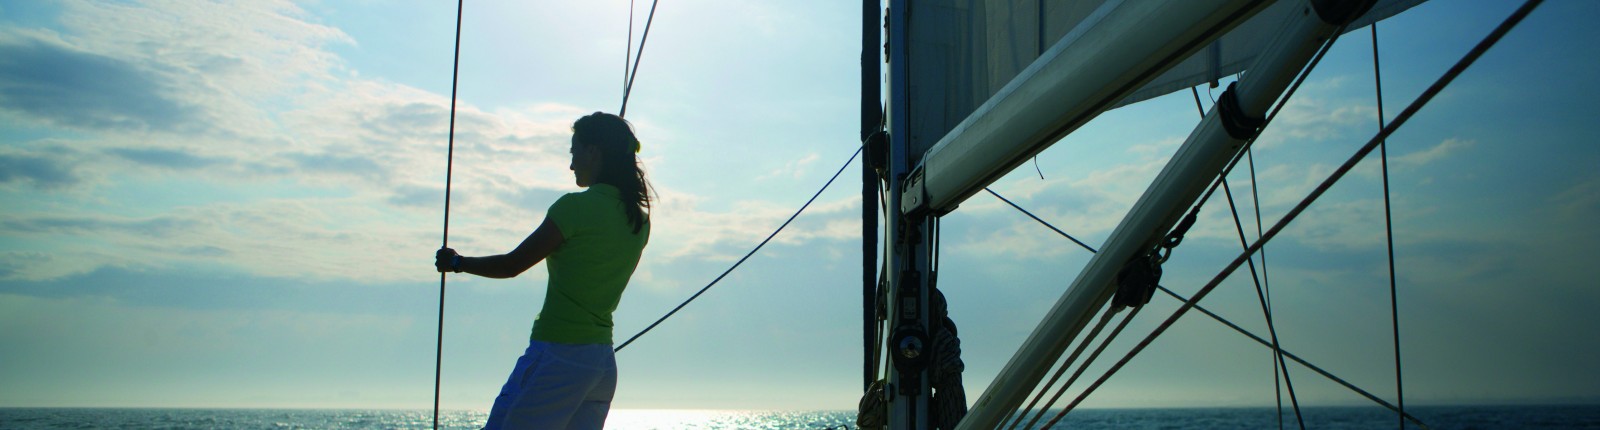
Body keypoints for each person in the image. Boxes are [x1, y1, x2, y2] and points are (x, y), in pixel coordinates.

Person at [434, 112, 652, 429]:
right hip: (601, 365)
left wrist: (457, 262)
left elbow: (512, 265)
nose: (572, 164)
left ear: (594, 151)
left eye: (574, 152)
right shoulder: (640, 221)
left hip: (558, 356)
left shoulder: (574, 208)